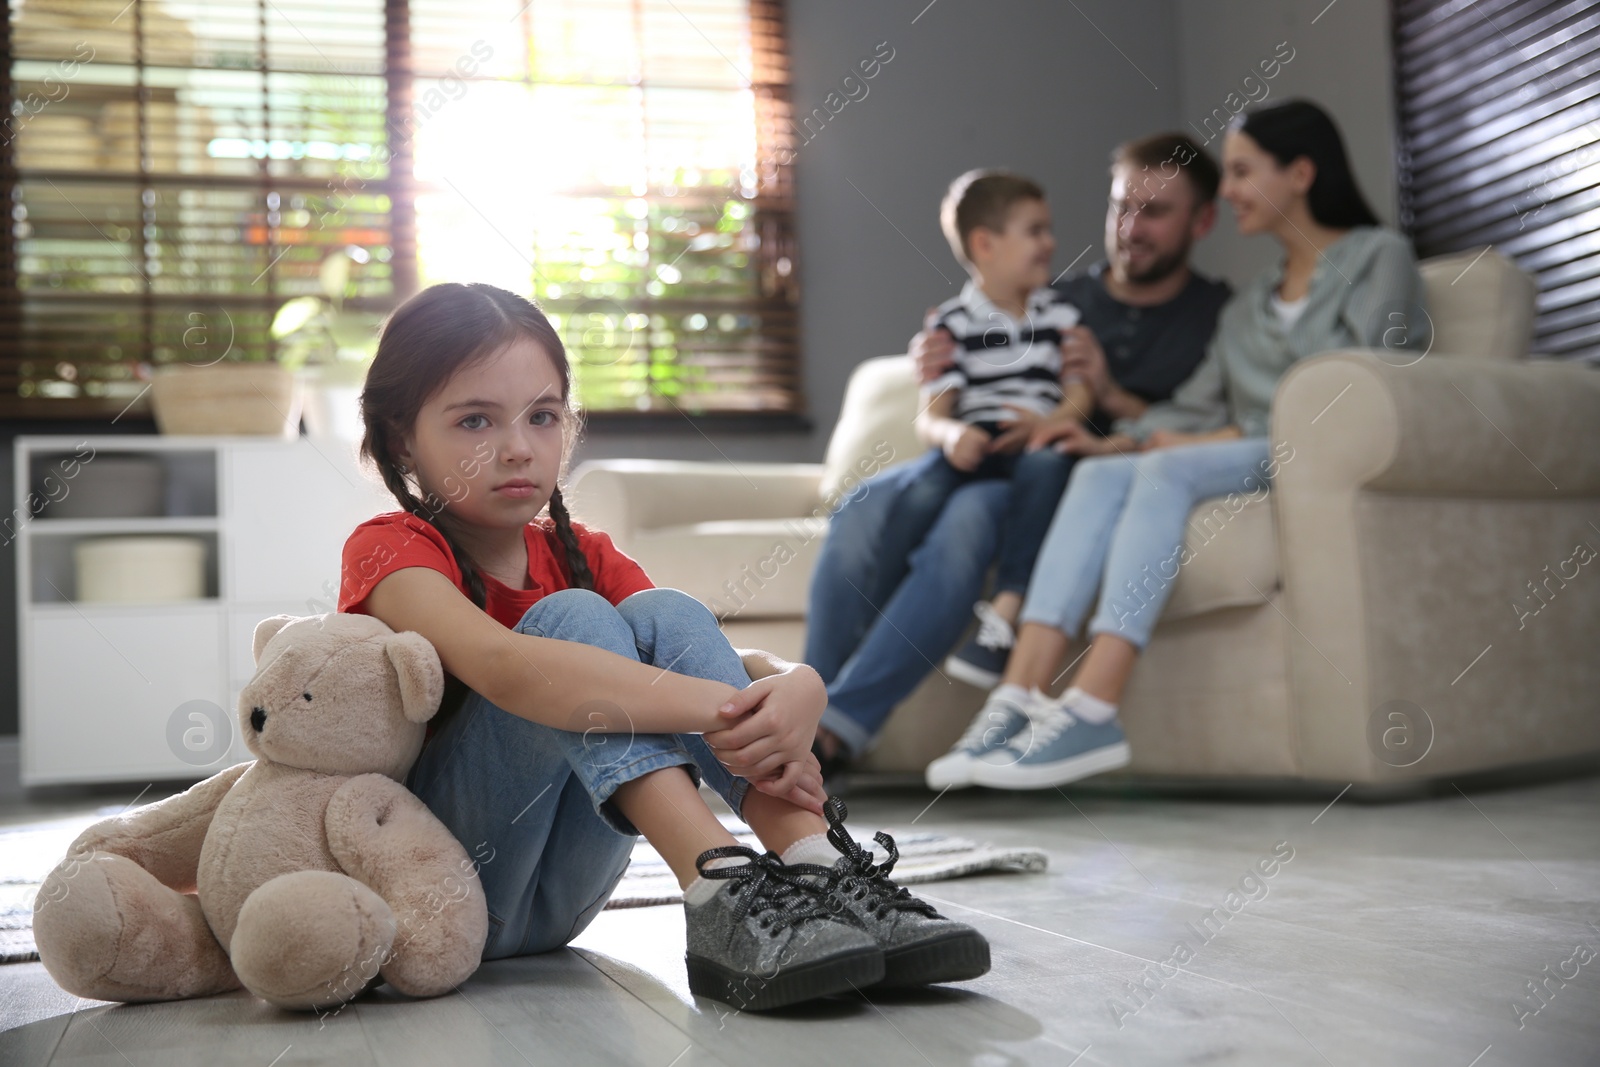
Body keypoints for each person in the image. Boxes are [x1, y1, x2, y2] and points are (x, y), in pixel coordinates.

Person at [336, 282, 989, 1011]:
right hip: (441, 892)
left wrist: (797, 683)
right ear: (401, 437)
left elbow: (684, 650)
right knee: (572, 621)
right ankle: (718, 885)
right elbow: (506, 667)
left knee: (666, 611)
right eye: (475, 420)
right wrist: (730, 708)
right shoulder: (389, 551)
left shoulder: (581, 550)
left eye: (543, 416)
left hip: (561, 901)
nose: (518, 447)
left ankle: (823, 865)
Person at [944, 99, 1430, 791]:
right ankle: (1015, 697)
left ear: (1299, 173)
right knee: (1097, 476)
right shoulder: (1248, 303)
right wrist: (1106, 438)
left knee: (1166, 470)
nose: (1226, 191)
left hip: (1315, 455)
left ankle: (1092, 706)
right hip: (1245, 450)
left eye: (1240, 172)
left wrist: (1211, 436)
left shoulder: (1378, 257)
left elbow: (1380, 377)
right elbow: (1192, 404)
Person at [805, 134, 1232, 782]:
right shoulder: (1062, 299)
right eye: (1122, 206)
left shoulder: (1215, 318)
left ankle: (836, 728)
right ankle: (803, 708)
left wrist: (1108, 396)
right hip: (974, 452)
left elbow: (1202, 422)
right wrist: (933, 365)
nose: (1129, 227)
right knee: (859, 508)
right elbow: (981, 338)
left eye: (1156, 212)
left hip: (1054, 471)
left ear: (1202, 220)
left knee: (965, 525)